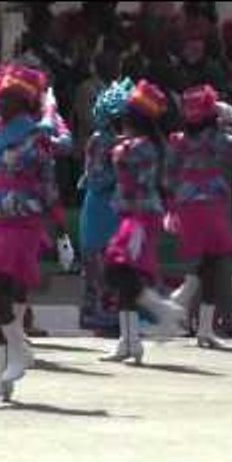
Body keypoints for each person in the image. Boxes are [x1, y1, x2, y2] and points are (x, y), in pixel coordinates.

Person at [0, 64, 73, 403]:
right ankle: (2, 383)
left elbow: (49, 187)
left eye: (10, 100)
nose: (1, 104)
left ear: (24, 103)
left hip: (23, 222)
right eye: (0, 98)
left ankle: (19, 352)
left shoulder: (37, 136)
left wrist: (62, 233)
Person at [100, 80, 187, 364]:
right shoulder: (147, 144)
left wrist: (111, 139)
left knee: (118, 268)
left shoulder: (141, 146)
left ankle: (163, 310)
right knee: (125, 277)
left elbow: (116, 156)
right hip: (132, 214)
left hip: (139, 216)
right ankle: (129, 342)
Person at [164, 84, 232, 349]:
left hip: (187, 204)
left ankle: (202, 323)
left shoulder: (178, 140)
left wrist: (174, 206)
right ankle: (189, 298)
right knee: (214, 262)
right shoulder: (221, 139)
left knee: (207, 262)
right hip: (213, 204)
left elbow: (168, 178)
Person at [77, 78, 133, 331]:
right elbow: (97, 179)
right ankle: (97, 314)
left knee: (114, 264)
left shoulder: (125, 141)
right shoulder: (100, 140)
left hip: (116, 208)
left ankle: (111, 314)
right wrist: (122, 168)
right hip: (100, 207)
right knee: (98, 263)